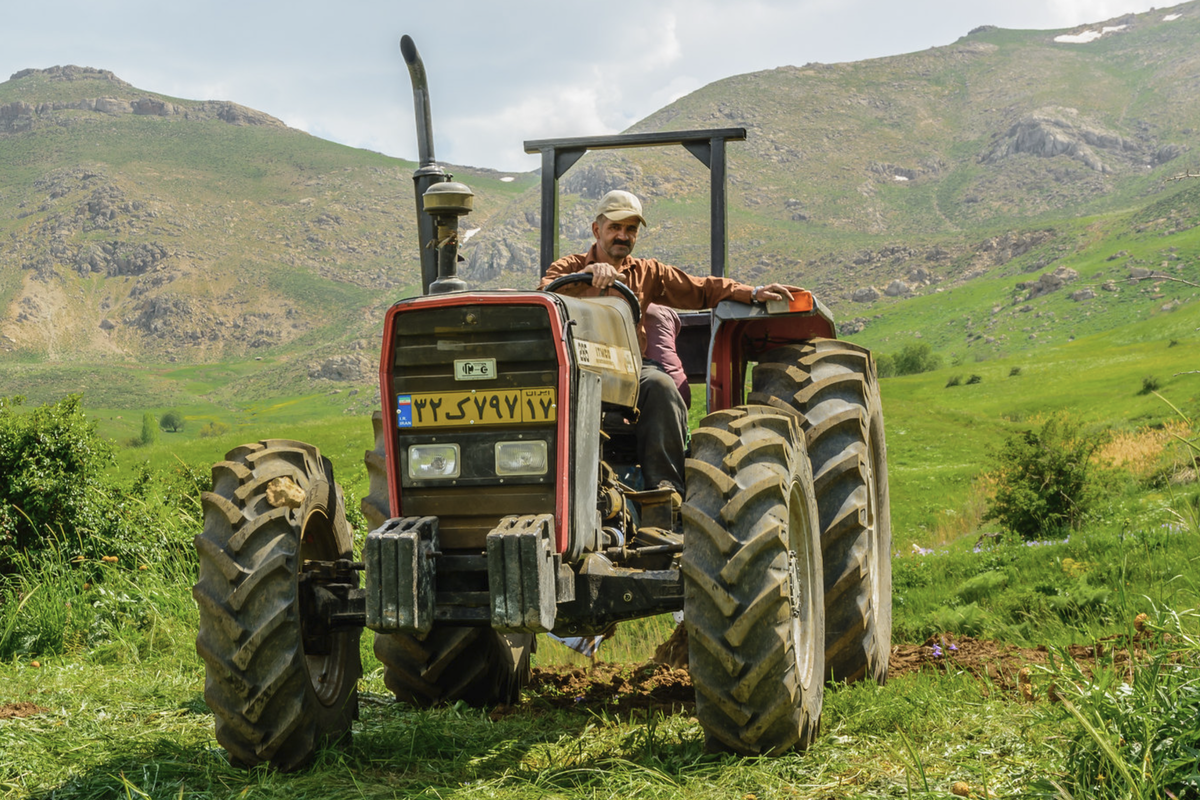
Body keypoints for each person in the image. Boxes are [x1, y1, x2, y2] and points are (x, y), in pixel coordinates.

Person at [540, 189, 801, 497]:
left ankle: (665, 491)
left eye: (630, 229)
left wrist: (753, 293)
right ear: (598, 230)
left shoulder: (648, 272)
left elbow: (701, 289)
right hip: (578, 365)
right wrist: (585, 275)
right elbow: (544, 294)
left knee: (661, 386)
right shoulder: (568, 268)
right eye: (615, 228)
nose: (622, 236)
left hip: (627, 368)